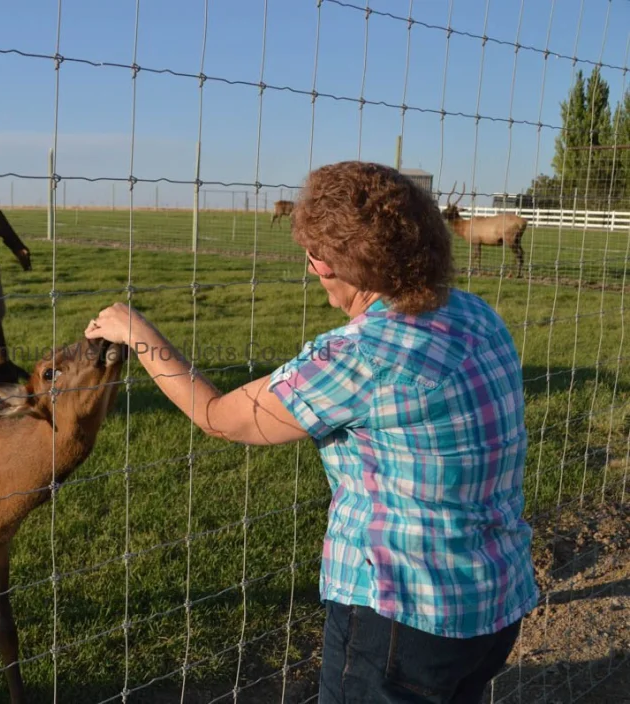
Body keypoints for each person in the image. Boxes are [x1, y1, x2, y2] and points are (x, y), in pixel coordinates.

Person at [84, 161, 538, 704]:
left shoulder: (358, 357)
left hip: (402, 622)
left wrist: (138, 334)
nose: (310, 265)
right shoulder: (476, 315)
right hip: (493, 604)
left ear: (350, 265)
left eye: (317, 254)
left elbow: (216, 416)